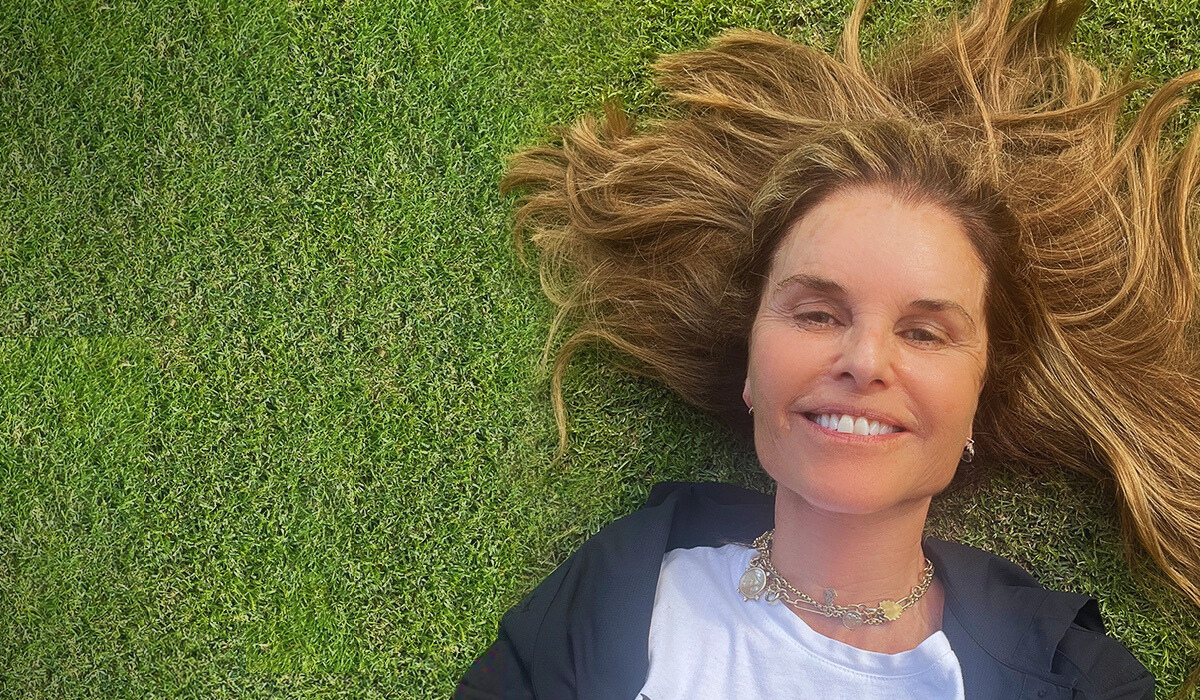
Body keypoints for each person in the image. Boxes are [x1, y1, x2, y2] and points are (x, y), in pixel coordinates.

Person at [457, 0, 1200, 697]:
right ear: (750, 366)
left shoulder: (1081, 679)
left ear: (981, 398)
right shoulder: (615, 590)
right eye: (816, 314)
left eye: (923, 332)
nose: (866, 360)